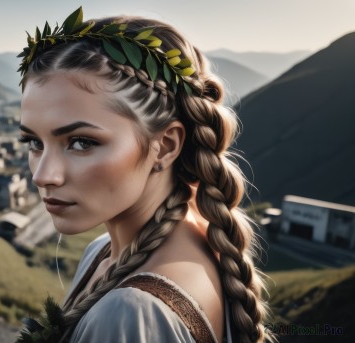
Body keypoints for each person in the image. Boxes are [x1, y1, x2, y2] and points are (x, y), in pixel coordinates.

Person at [16, 7, 271, 343]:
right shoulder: (108, 252)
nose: (43, 175)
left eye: (81, 142)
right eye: (34, 142)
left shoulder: (131, 314)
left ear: (165, 146)